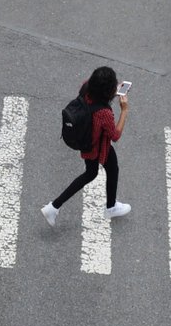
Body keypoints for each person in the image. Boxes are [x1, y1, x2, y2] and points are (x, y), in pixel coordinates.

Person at [44, 66, 130, 225]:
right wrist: (124, 110)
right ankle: (110, 207)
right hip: (99, 147)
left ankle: (53, 207)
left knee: (93, 173)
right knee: (111, 169)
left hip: (87, 145)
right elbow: (115, 135)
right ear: (108, 91)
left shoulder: (86, 87)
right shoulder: (104, 113)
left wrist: (114, 90)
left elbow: (98, 92)